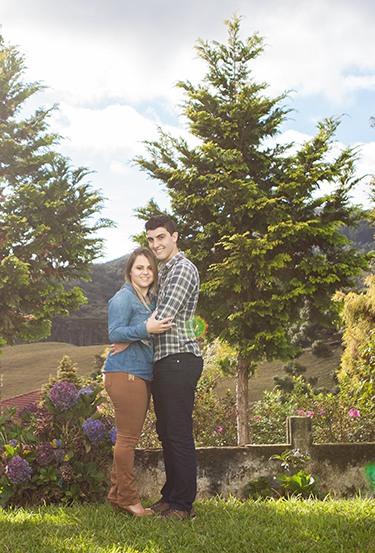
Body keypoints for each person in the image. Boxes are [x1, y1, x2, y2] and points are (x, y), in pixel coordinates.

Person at [102, 247, 172, 517]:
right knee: (128, 439)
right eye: (139, 267)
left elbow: (132, 335)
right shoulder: (124, 298)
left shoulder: (149, 302)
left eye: (149, 268)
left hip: (139, 374)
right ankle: (130, 500)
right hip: (125, 373)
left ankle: (116, 496)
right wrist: (145, 329)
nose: (145, 272)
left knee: (128, 437)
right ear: (130, 271)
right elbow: (115, 332)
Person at [144, 214, 202, 520]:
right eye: (151, 239)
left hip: (179, 358)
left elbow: (162, 317)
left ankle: (183, 505)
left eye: (161, 237)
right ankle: (170, 496)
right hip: (164, 361)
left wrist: (127, 333)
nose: (156, 244)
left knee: (178, 434)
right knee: (166, 433)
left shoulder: (181, 269)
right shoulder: (164, 271)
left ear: (175, 236)